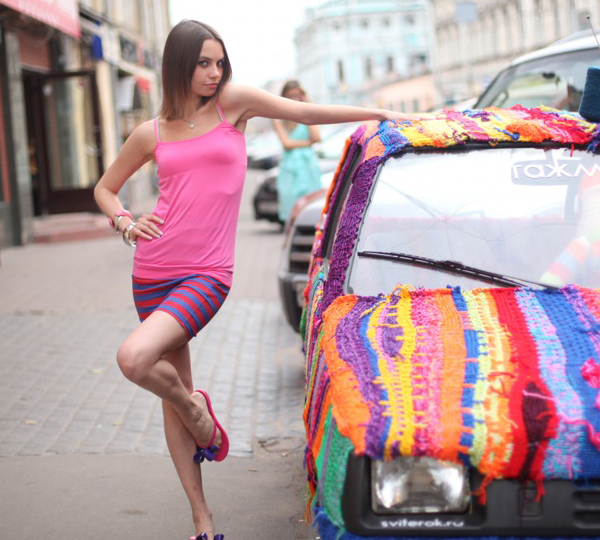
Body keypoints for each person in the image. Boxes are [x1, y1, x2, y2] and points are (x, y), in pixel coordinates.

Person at [93, 19, 406, 540]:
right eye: (203, 63)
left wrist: (379, 113)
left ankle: (198, 413)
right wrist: (126, 223)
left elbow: (304, 114)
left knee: (135, 359)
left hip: (207, 273)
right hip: (152, 270)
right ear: (179, 65)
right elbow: (105, 189)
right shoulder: (151, 132)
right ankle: (202, 518)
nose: (214, 73)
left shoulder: (232, 105)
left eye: (219, 63)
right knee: (173, 391)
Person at [273, 80, 322, 224]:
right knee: (291, 204)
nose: (294, 99)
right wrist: (308, 143)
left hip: (308, 165)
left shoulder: (309, 114)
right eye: (290, 96)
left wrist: (307, 107)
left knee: (312, 203)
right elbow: (287, 144)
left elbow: (317, 137)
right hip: (290, 167)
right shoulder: (279, 118)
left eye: (297, 95)